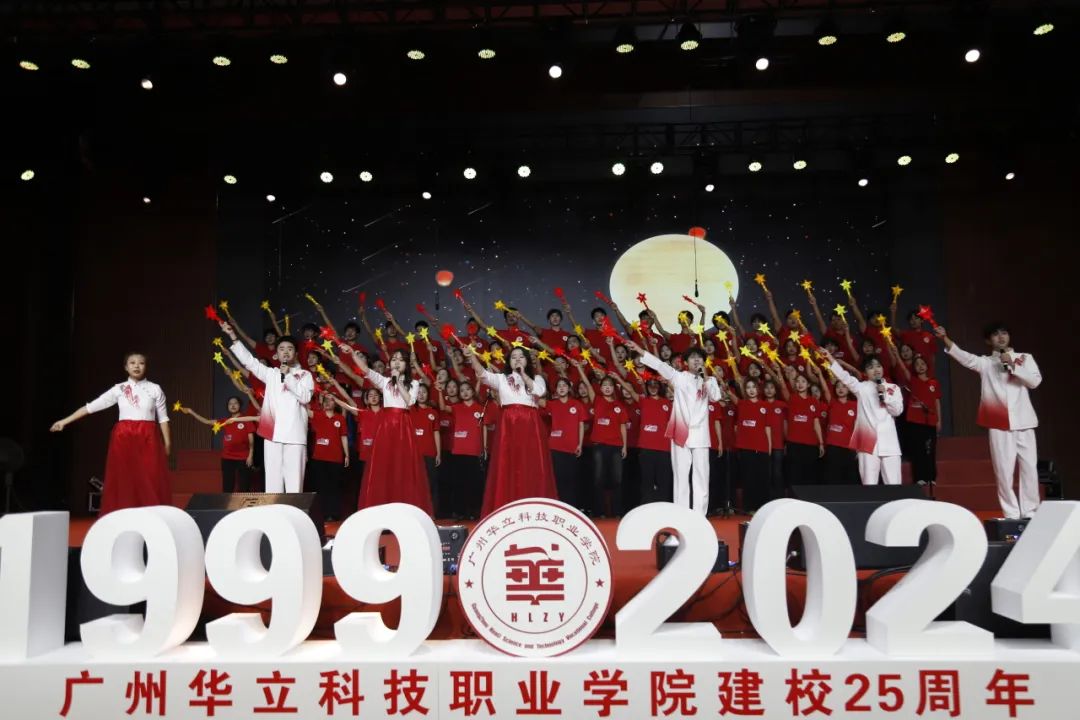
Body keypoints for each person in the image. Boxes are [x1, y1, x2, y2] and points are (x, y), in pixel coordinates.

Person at [937, 322, 1042, 519]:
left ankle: (1031, 511)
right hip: (998, 423)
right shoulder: (986, 363)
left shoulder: (1025, 358)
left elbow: (1034, 382)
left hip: (1024, 421)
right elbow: (964, 357)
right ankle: (1011, 513)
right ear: (988, 340)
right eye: (995, 334)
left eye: (1004, 333)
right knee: (1003, 471)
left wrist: (1013, 366)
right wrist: (945, 338)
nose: (1001, 337)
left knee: (1029, 469)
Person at [50, 352, 172, 513]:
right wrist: (64, 421)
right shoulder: (119, 389)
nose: (136, 366)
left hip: (148, 438)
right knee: (124, 479)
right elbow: (91, 407)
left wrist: (168, 443)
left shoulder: (155, 389)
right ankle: (124, 516)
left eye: (141, 363)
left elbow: (163, 418)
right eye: (132, 363)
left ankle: (151, 515)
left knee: (150, 479)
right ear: (126, 367)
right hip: (124, 438)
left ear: (146, 366)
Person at [625, 341, 722, 514]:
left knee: (701, 476)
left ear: (704, 361)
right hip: (681, 431)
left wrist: (706, 376)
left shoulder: (710, 381)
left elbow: (715, 397)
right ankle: (682, 514)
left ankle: (700, 515)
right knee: (681, 475)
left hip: (700, 434)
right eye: (692, 358)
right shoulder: (679, 377)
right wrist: (640, 350)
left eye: (699, 358)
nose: (696, 360)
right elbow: (660, 365)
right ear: (686, 362)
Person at [465, 345, 558, 514]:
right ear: (508, 361)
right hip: (508, 424)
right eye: (513, 357)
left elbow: (539, 392)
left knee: (531, 465)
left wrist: (524, 375)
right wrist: (472, 357)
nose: (517, 360)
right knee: (507, 464)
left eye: (521, 357)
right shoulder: (502, 378)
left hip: (530, 425)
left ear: (527, 360)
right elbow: (483, 375)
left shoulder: (537, 378)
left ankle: (534, 507)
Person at [340, 346, 433, 515]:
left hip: (403, 426)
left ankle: (405, 510)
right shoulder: (384, 381)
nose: (397, 362)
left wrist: (398, 382)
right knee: (384, 466)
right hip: (386, 426)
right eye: (394, 359)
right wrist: (352, 353)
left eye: (401, 360)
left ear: (407, 364)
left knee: (403, 467)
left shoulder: (414, 383)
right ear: (389, 364)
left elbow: (410, 402)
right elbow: (365, 369)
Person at [222, 322, 313, 492]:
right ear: (276, 355)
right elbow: (250, 362)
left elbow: (305, 397)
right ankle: (275, 509)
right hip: (272, 434)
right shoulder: (271, 374)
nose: (286, 352)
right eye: (282, 349)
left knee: (294, 485)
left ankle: (294, 510)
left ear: (296, 353)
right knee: (273, 484)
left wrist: (288, 376)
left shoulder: (305, 375)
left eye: (290, 349)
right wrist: (233, 337)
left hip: (295, 436)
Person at [823, 350, 904, 485]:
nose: (876, 370)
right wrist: (831, 359)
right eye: (871, 367)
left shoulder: (893, 388)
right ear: (865, 372)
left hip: (889, 442)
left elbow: (897, 411)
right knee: (869, 485)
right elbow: (845, 377)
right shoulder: (861, 388)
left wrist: (885, 396)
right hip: (867, 443)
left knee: (894, 485)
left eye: (878, 366)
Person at [177, 396, 255, 492]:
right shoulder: (225, 422)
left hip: (244, 457)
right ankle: (227, 502)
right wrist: (191, 412)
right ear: (228, 407)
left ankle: (244, 502)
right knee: (227, 486)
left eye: (235, 403)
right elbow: (206, 421)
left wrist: (250, 455)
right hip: (227, 457)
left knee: (244, 485)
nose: (233, 405)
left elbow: (251, 439)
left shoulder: (246, 419)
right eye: (230, 404)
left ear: (240, 405)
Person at [539, 377, 587, 509]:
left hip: (572, 448)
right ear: (555, 390)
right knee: (557, 479)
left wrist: (580, 444)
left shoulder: (577, 404)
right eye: (559, 386)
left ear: (569, 388)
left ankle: (571, 508)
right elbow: (536, 398)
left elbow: (581, 425)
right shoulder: (552, 404)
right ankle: (558, 507)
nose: (561, 388)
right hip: (555, 447)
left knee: (571, 479)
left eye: (564, 386)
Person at [306, 392, 349, 520]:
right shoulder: (317, 415)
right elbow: (304, 408)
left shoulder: (340, 418)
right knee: (321, 487)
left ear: (335, 403)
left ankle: (333, 514)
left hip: (336, 458)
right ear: (322, 403)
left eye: (331, 400)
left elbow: (343, 437)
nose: (328, 403)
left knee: (334, 487)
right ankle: (322, 514)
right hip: (319, 458)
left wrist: (347, 455)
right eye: (325, 400)